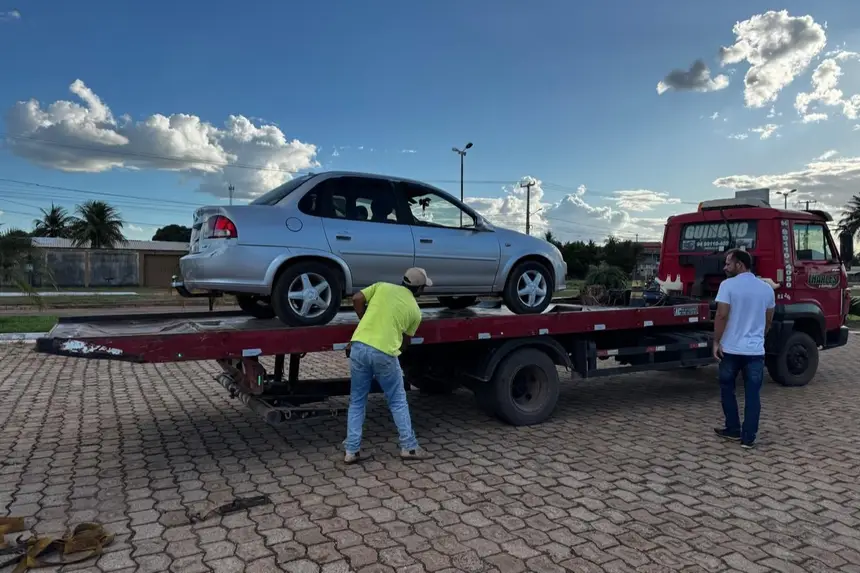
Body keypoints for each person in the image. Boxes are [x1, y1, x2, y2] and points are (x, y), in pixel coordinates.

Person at [342, 267, 435, 463]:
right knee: (397, 400)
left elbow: (357, 298)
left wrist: (365, 319)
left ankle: (351, 451)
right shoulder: (415, 311)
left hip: (358, 347)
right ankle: (409, 448)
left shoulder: (382, 287)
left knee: (357, 401)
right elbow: (405, 342)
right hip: (384, 353)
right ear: (419, 289)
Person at [712, 248, 775, 449]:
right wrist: (759, 336)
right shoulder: (766, 289)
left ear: (739, 264)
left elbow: (722, 315)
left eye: (728, 263)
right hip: (755, 352)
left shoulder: (727, 285)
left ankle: (732, 429)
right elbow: (769, 319)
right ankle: (748, 438)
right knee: (753, 394)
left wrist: (716, 341)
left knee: (727, 390)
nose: (725, 267)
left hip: (730, 349)